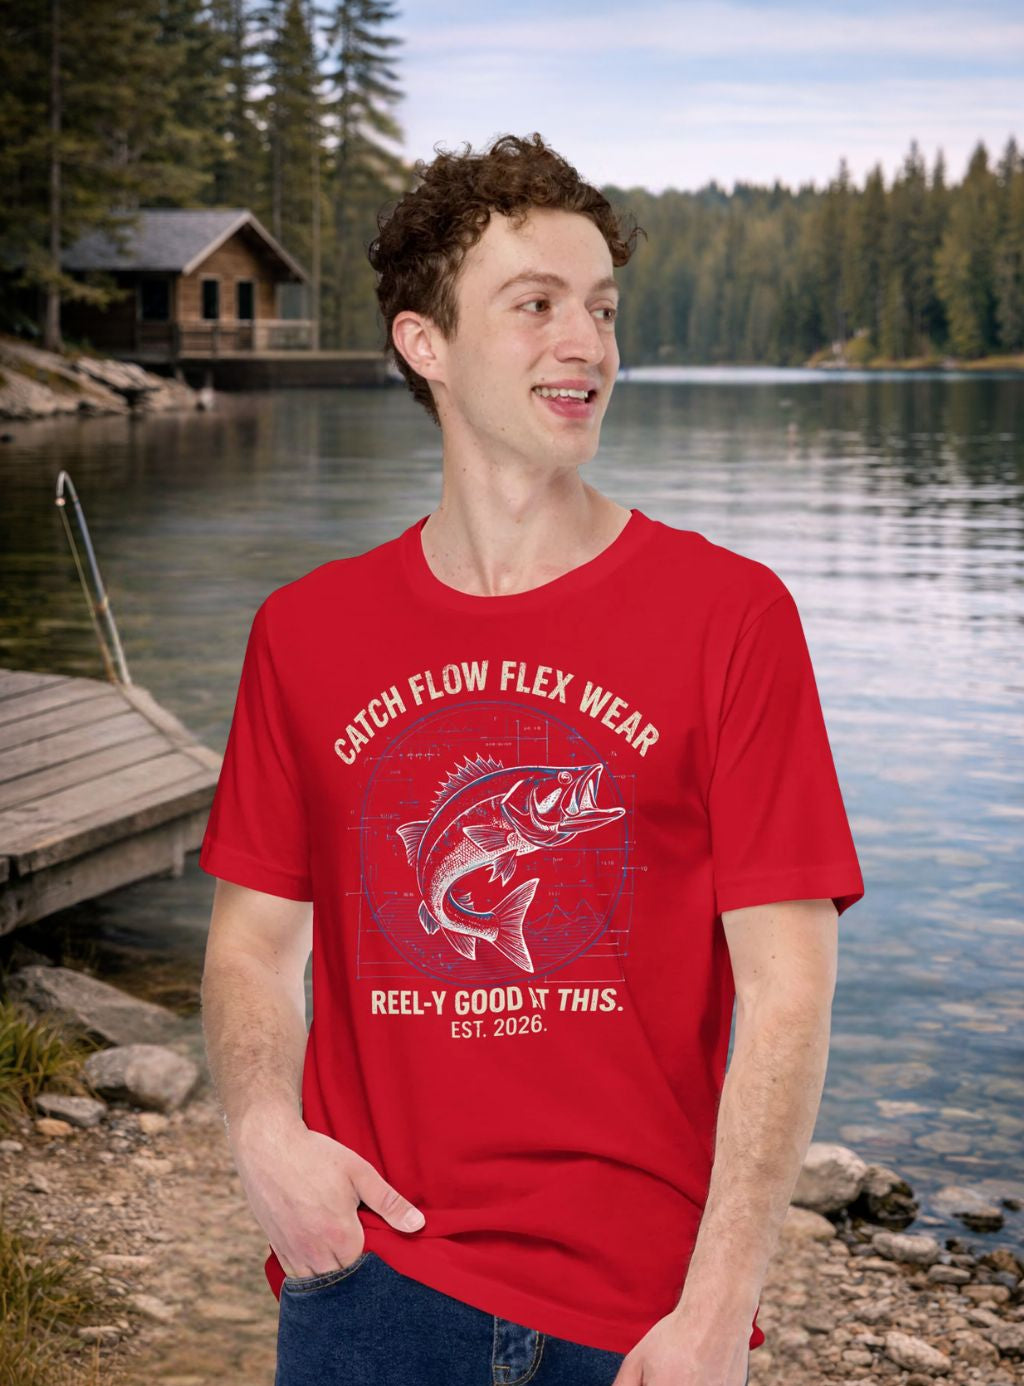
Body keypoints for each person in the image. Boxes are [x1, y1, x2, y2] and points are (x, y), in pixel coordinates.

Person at [198, 131, 864, 1386]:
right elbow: (250, 944)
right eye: (537, 306)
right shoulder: (304, 632)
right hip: (372, 1282)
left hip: (639, 1318)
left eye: (603, 309)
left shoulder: (730, 616)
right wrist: (264, 1136)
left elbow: (787, 989)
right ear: (424, 344)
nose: (589, 345)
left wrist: (719, 1310)